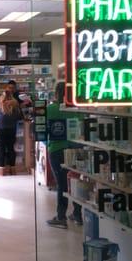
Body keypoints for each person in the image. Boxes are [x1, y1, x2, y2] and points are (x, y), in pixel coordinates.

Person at [46, 82, 83, 229]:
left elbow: (42, 126)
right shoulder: (77, 109)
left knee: (62, 183)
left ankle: (61, 217)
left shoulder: (51, 109)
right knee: (75, 182)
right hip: (76, 149)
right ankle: (78, 214)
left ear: (56, 93)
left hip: (57, 149)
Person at [0, 86, 22, 176]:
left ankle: (1, 171)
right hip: (12, 128)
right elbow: (19, 116)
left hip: (1, 128)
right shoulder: (15, 103)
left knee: (1, 148)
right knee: (11, 148)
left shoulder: (0, 103)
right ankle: (12, 169)